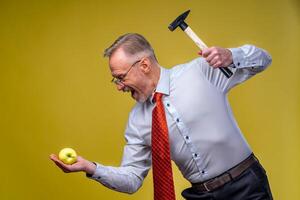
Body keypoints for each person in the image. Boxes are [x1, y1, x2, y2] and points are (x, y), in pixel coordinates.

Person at [50, 33, 273, 200]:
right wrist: (90, 168)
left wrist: (231, 55)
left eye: (120, 78)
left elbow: (264, 60)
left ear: (144, 65)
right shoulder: (138, 121)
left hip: (247, 187)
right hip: (201, 195)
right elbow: (132, 179)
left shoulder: (200, 72)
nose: (119, 87)